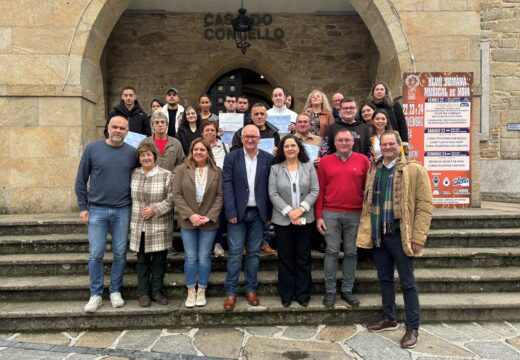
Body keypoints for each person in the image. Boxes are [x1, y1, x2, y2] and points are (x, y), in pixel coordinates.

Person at [357, 130, 432, 349]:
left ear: (400, 145)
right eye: (384, 144)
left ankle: (412, 327)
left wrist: (418, 236)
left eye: (391, 143)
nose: (388, 147)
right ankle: (389, 317)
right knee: (385, 278)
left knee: (408, 282)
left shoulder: (414, 169)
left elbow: (425, 206)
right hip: (379, 233)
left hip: (401, 234)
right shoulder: (375, 168)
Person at [75, 116, 138, 312]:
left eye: (122, 128)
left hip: (122, 209)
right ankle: (95, 294)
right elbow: (80, 180)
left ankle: (115, 291)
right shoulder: (92, 149)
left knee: (120, 253)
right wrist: (83, 207)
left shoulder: (132, 153)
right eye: (115, 127)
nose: (118, 130)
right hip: (97, 210)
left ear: (127, 131)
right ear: (108, 128)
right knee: (95, 254)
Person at [315, 128, 370, 308]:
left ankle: (347, 290)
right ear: (335, 143)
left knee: (351, 252)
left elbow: (367, 189)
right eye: (340, 140)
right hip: (330, 213)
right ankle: (330, 291)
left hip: (355, 212)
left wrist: (366, 215)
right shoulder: (325, 161)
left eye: (347, 140)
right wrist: (318, 216)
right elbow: (320, 190)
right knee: (331, 252)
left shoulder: (363, 161)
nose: (344, 143)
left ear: (353, 142)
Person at [222, 124, 274, 311]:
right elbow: (226, 185)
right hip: (237, 214)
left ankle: (251, 289)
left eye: (254, 136)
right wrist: (231, 212)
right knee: (235, 253)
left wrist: (268, 214)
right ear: (241, 138)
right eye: (247, 136)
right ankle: (231, 292)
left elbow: (271, 188)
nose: (251, 140)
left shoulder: (268, 159)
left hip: (259, 215)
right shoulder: (231, 157)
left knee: (253, 254)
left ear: (259, 138)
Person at [268, 135, 319, 307]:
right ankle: (287, 293)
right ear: (282, 150)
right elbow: (272, 193)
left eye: (293, 145)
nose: (290, 148)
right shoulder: (275, 168)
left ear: (299, 148)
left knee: (303, 256)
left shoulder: (308, 166)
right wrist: (290, 212)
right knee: (285, 257)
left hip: (305, 218)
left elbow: (314, 190)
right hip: (283, 220)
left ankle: (303, 293)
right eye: (287, 146)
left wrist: (301, 209)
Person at [172, 139, 223, 308]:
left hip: (208, 222)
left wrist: (209, 216)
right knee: (191, 257)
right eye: (196, 149)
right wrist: (191, 215)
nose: (199, 152)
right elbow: (177, 194)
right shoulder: (181, 170)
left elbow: (220, 196)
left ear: (208, 152)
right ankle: (190, 290)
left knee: (203, 258)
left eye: (202, 149)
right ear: (191, 151)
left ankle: (201, 289)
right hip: (188, 221)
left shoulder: (217, 172)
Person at [229, 103, 279, 255]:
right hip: (245, 175)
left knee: (263, 209)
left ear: (266, 115)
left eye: (261, 114)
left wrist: (276, 154)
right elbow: (234, 151)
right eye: (256, 114)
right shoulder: (241, 132)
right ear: (251, 116)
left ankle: (264, 242)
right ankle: (244, 244)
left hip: (264, 175)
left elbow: (278, 157)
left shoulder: (274, 132)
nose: (259, 116)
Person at [129, 143, 173, 307]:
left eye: (148, 155)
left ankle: (156, 291)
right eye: (142, 155)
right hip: (139, 225)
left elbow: (172, 198)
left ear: (154, 156)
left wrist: (155, 210)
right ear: (139, 159)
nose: (146, 158)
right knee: (142, 261)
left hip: (159, 224)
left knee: (159, 261)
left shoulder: (166, 175)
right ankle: (143, 293)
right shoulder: (134, 174)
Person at [201, 121, 230, 257]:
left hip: (221, 185)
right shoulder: (199, 147)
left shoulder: (225, 147)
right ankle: (208, 244)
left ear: (217, 132)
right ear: (203, 132)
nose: (209, 132)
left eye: (212, 130)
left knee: (219, 213)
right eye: (207, 130)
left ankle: (217, 243)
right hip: (203, 186)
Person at [367, 82, 409, 147]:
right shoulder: (369, 107)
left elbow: (402, 123)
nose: (379, 91)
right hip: (374, 140)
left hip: (393, 140)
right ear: (373, 92)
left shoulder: (394, 105)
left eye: (381, 89)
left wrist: (405, 142)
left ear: (386, 92)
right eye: (377, 89)